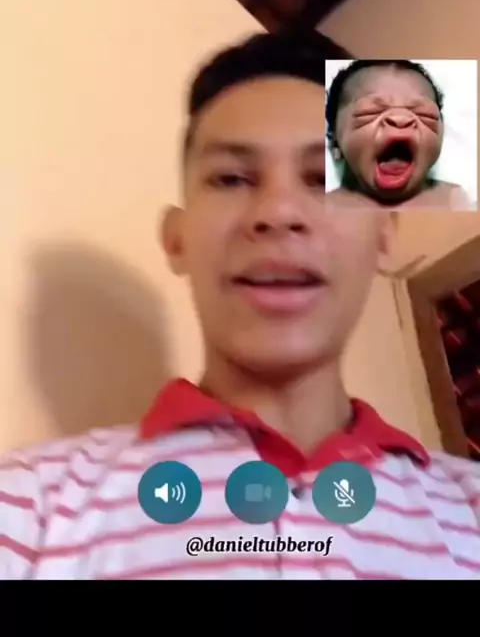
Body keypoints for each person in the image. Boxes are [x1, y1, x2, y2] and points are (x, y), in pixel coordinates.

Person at [1, 32, 480, 581]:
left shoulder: (469, 509)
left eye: (321, 179)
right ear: (176, 239)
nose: (278, 212)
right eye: (231, 178)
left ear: (385, 234)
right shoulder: (29, 509)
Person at [325, 58, 476, 210]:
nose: (400, 119)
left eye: (425, 115)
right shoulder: (326, 205)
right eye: (369, 112)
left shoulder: (453, 198)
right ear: (334, 138)